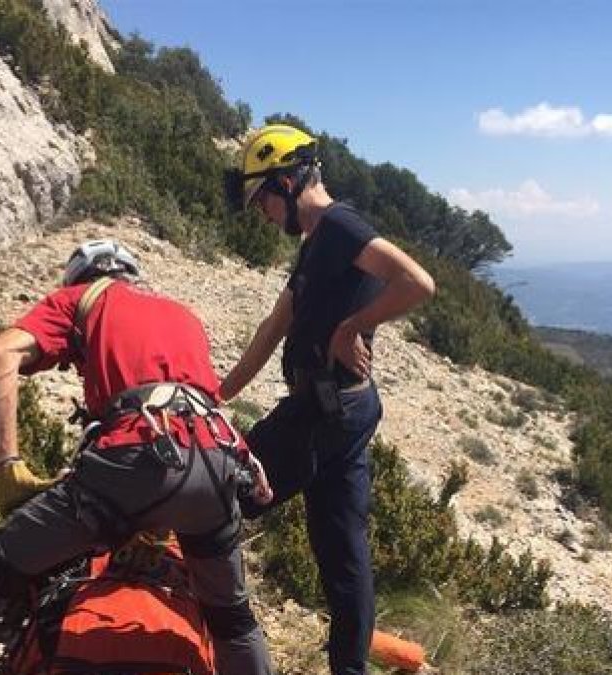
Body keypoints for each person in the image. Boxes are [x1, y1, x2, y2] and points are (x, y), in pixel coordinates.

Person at [0, 239, 275, 675]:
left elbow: (1, 354)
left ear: (81, 280)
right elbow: (196, 408)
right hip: (218, 461)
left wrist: (6, 466)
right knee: (232, 619)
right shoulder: (180, 314)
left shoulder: (83, 299)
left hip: (139, 454)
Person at [220, 125, 435, 675]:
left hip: (324, 413)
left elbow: (418, 283)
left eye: (262, 198)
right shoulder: (315, 244)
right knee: (343, 557)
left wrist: (352, 328)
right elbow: (275, 325)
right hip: (347, 409)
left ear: (287, 182)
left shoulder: (338, 225)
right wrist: (217, 393)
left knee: (219, 493)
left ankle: (202, 634)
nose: (263, 213)